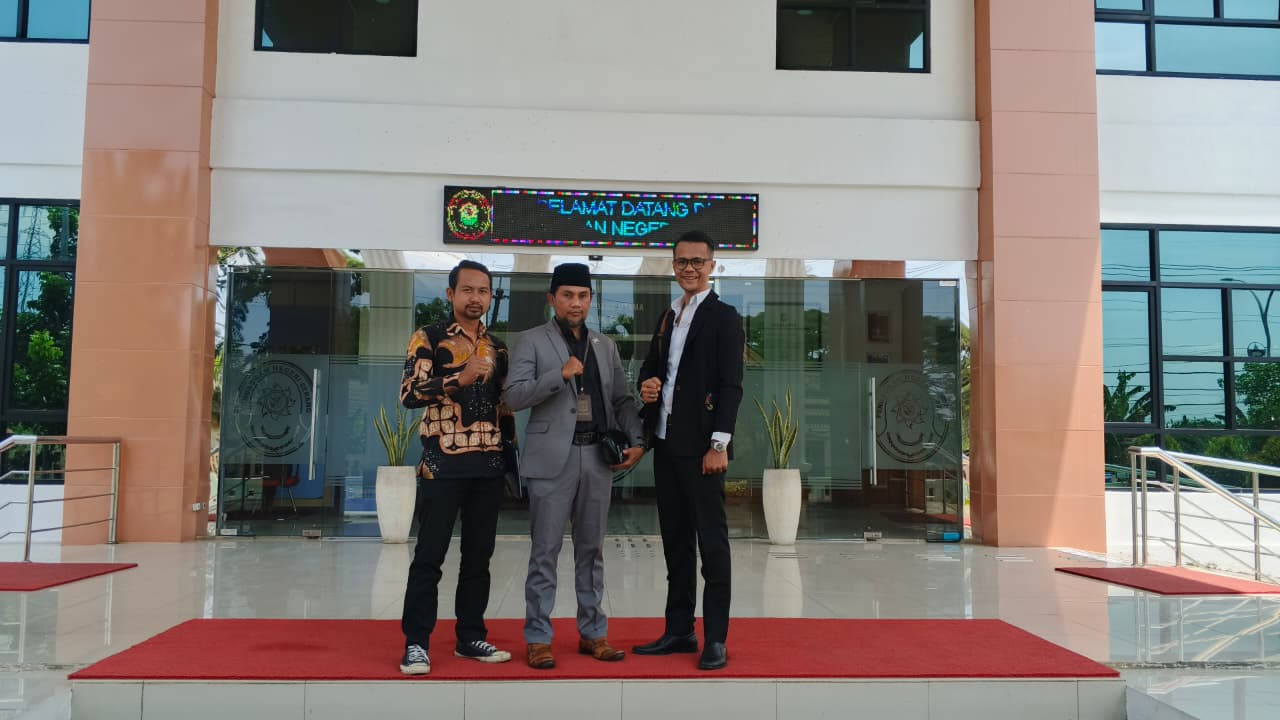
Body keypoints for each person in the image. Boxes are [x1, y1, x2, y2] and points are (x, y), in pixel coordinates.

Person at [505, 263, 646, 670]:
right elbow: (513, 397)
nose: (576, 303)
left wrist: (638, 440)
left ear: (591, 299)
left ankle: (593, 633)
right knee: (544, 551)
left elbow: (621, 400)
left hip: (597, 458)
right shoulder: (531, 341)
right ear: (552, 299)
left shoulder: (605, 345)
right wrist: (559, 374)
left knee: (592, 551)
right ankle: (538, 638)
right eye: (567, 295)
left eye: (583, 296)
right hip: (553, 458)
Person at [633, 230, 744, 671]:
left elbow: (731, 386)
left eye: (698, 261)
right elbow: (651, 368)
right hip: (666, 443)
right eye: (682, 261)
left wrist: (719, 444)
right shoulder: (669, 315)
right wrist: (646, 385)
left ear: (712, 266)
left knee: (712, 546)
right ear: (673, 265)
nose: (690, 268)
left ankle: (715, 638)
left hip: (702, 450)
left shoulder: (724, 317)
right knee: (676, 545)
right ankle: (679, 630)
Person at [397, 259, 514, 675]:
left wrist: (510, 462)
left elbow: (503, 407)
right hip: (442, 463)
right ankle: (416, 643)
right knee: (429, 556)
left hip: (488, 465)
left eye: (483, 290)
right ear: (451, 294)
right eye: (467, 290)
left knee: (479, 557)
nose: (475, 298)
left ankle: (470, 636)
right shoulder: (428, 337)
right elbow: (408, 394)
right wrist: (456, 379)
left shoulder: (498, 347)